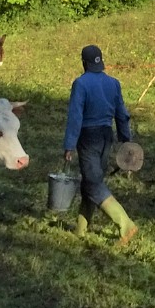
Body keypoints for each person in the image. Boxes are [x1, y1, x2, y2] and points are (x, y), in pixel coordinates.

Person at [63, 45, 138, 245]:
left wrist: (69, 144)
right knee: (92, 181)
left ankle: (125, 224)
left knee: (93, 183)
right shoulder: (113, 83)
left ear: (84, 63)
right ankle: (80, 229)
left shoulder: (80, 84)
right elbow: (122, 114)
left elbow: (75, 116)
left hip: (88, 137)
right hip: (106, 136)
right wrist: (125, 140)